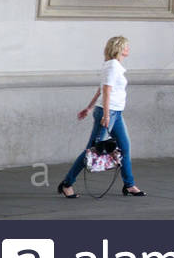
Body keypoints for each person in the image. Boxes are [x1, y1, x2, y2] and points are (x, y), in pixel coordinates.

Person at [58, 35, 144, 199]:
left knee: (125, 148)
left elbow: (100, 89)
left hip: (116, 113)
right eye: (126, 46)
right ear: (119, 48)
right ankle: (67, 184)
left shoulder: (115, 66)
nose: (128, 49)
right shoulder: (112, 66)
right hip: (109, 112)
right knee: (91, 151)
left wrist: (89, 108)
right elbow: (106, 91)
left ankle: (129, 185)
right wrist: (105, 115)